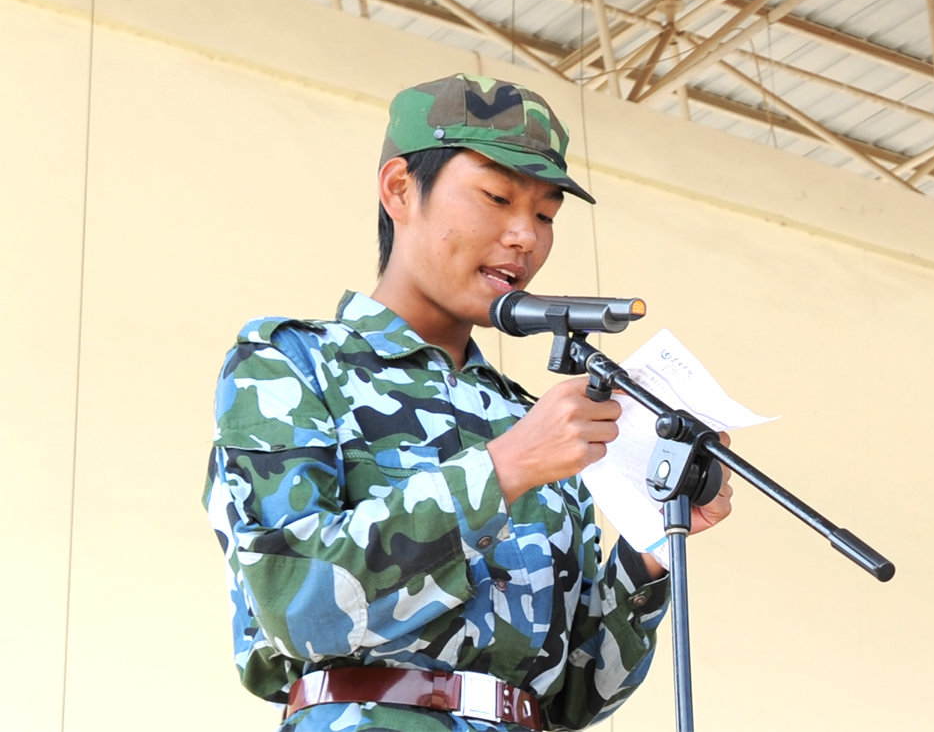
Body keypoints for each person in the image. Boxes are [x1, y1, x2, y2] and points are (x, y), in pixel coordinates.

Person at [203, 73, 733, 732]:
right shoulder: (292, 363)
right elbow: (296, 605)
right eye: (497, 197)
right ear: (400, 189)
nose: (525, 236)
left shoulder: (529, 418)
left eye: (545, 215)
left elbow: (573, 695)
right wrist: (505, 468)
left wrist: (650, 544)